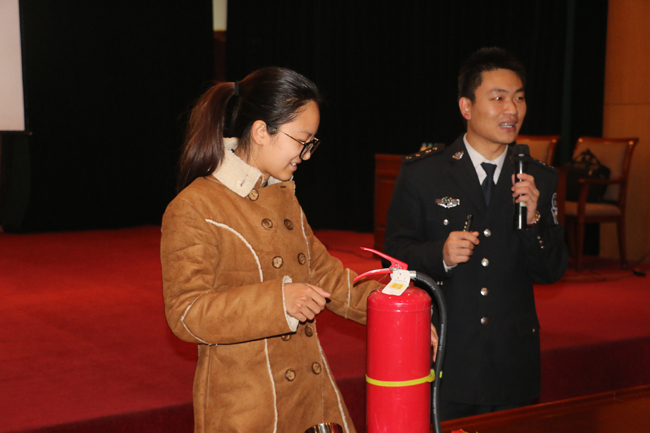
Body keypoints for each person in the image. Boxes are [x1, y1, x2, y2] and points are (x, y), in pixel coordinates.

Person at [160, 67, 382, 433]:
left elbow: (329, 278)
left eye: (311, 143)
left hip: (308, 397)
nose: (305, 155)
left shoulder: (283, 196)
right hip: (247, 409)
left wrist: (398, 313)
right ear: (262, 131)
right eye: (301, 141)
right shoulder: (195, 206)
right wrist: (278, 301)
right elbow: (186, 313)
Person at [383, 47, 569, 420]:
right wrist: (439, 255)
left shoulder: (539, 178)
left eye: (519, 98)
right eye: (498, 98)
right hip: (449, 355)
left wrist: (534, 219)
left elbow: (551, 270)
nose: (512, 110)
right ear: (466, 107)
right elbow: (394, 258)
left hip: (512, 359)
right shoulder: (424, 174)